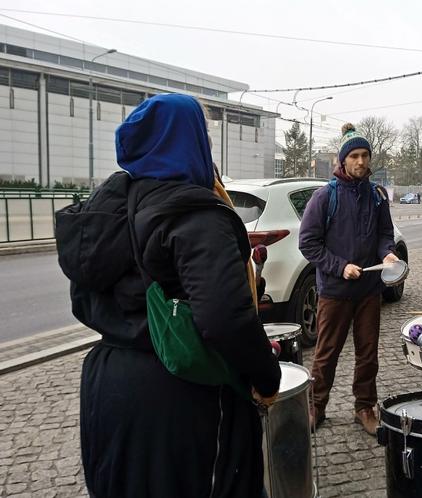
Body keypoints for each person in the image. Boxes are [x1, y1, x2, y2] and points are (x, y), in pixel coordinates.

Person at [57, 94, 281, 498]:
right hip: (179, 394)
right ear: (188, 141)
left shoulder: (104, 213)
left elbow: (88, 299)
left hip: (107, 384)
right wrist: (267, 377)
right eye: (205, 134)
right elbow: (225, 319)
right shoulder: (194, 214)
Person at [299, 123, 398, 435]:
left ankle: (365, 406)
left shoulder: (377, 195)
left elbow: (385, 233)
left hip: (369, 290)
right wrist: (340, 267)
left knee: (368, 353)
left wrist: (388, 253)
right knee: (326, 354)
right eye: (354, 155)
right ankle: (316, 405)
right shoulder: (324, 197)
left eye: (365, 155)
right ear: (342, 161)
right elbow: (309, 244)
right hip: (335, 290)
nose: (360, 161)